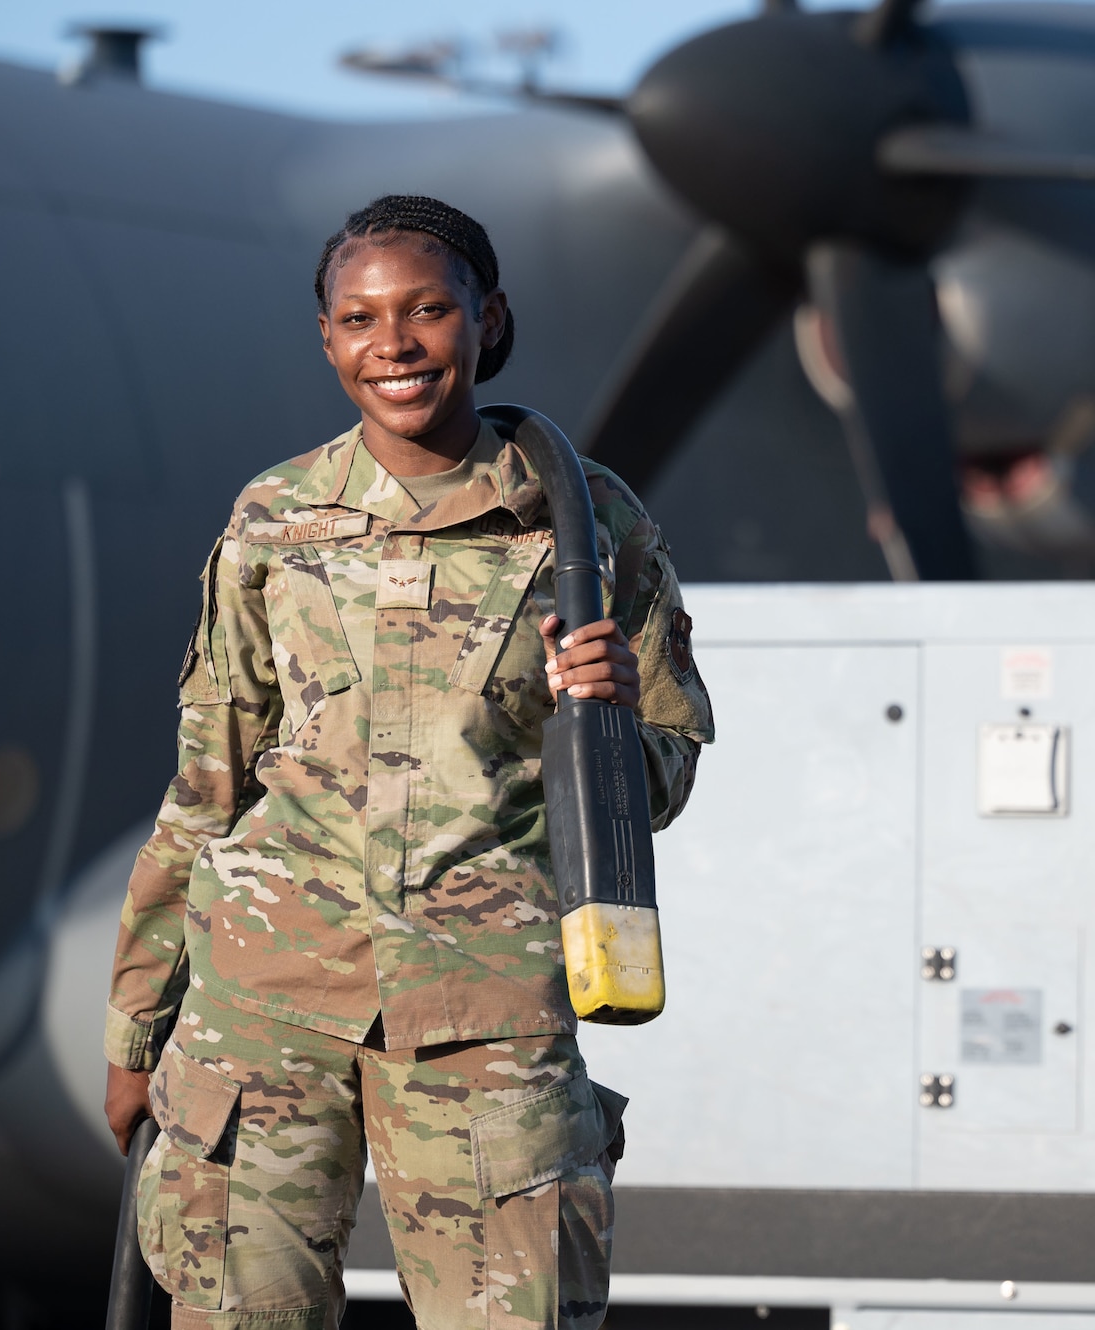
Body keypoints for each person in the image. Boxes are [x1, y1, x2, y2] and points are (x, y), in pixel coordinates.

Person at [99, 195, 714, 1329]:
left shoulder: (586, 524)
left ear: (486, 320)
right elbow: (207, 786)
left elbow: (664, 781)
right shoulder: (274, 519)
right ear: (328, 340)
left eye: (427, 309)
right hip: (264, 1004)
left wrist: (615, 720)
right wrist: (140, 1024)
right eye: (359, 318)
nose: (393, 344)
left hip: (484, 1004)